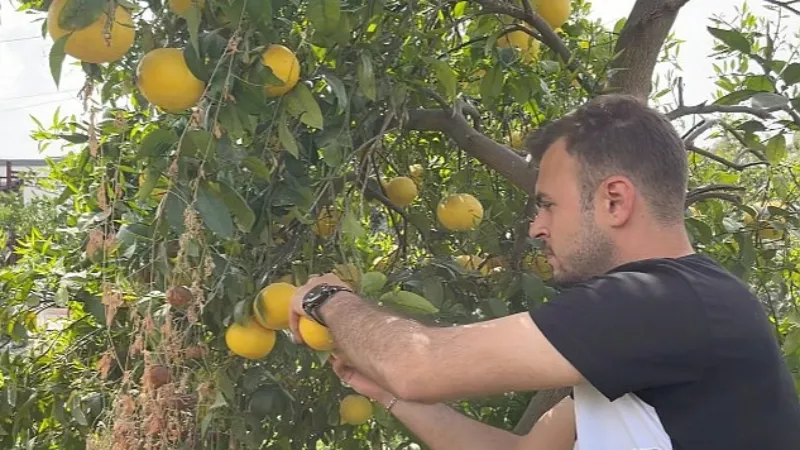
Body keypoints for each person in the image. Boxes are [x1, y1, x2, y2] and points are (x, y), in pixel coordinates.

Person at [288, 94, 800, 450]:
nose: (537, 227)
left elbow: (420, 364)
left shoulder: (665, 301)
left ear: (614, 201)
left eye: (549, 205)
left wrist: (326, 298)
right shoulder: (659, 328)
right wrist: (391, 395)